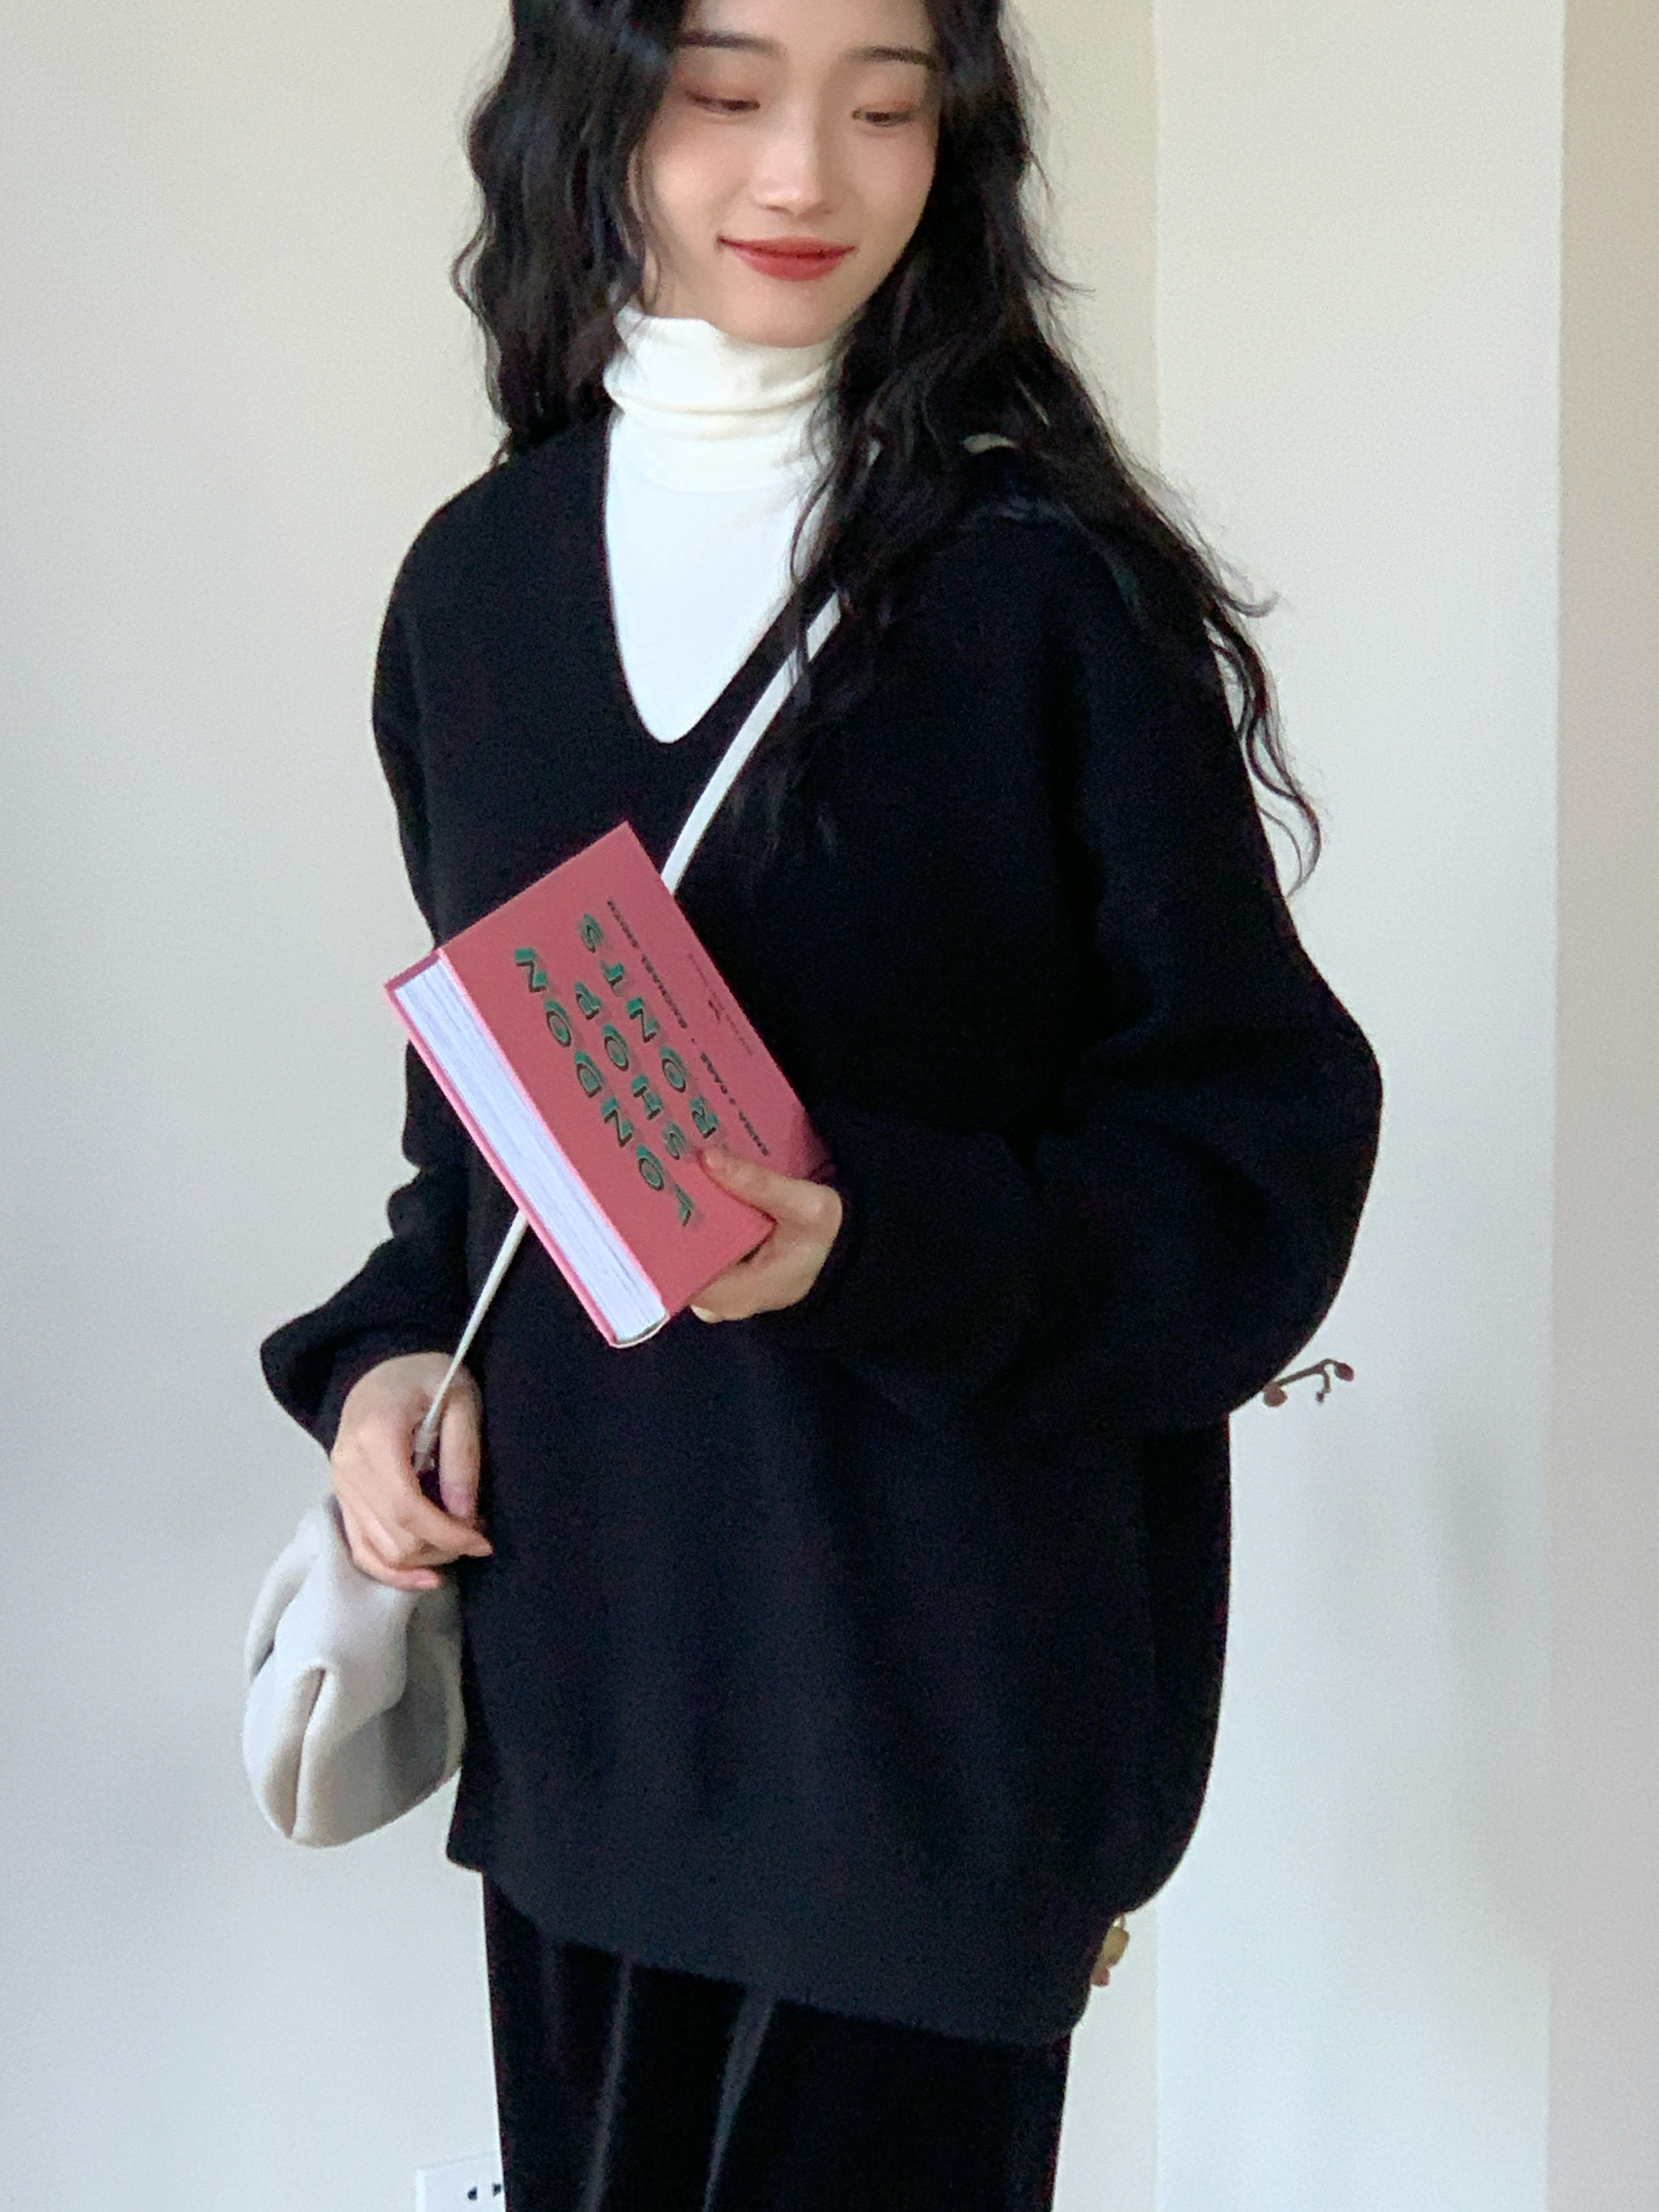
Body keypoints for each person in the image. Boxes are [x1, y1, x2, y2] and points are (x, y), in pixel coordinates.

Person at [260, 0, 1383, 2204]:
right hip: (593, 1697)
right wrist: (390, 1364)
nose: (805, 175)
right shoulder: (478, 590)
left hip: (935, 1713)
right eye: (724, 94)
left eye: (885, 107)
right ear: (591, 114)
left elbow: (1251, 1158)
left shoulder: (1042, 586)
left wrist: (868, 1238)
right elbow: (474, 1143)